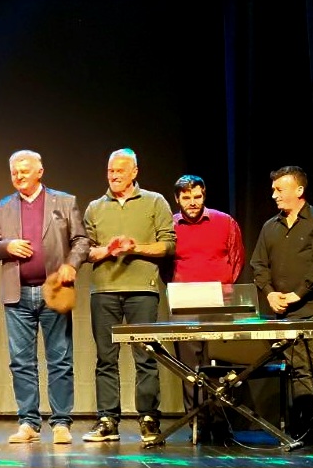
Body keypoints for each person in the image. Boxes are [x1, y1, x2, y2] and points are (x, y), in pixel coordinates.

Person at [0, 150, 87, 445]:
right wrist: (7, 246)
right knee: (21, 362)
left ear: (39, 172)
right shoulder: (2, 207)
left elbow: (81, 240)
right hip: (17, 295)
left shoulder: (64, 201)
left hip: (53, 291)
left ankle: (61, 422)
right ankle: (28, 422)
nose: (18, 176)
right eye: (14, 172)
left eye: (24, 171)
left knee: (60, 359)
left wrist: (71, 264)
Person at [249, 165, 313, 450]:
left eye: (279, 190)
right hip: (286, 311)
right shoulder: (270, 226)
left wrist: (298, 293)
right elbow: (258, 264)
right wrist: (270, 294)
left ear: (299, 190)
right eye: (273, 190)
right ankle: (306, 427)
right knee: (299, 370)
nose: (274, 195)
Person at [82, 148, 175, 444]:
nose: (114, 175)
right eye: (110, 171)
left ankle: (148, 418)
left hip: (142, 290)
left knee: (145, 355)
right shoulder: (95, 207)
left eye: (120, 170)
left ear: (134, 172)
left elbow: (167, 245)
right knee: (105, 359)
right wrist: (108, 250)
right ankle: (108, 420)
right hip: (105, 291)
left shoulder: (154, 201)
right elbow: (85, 250)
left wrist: (135, 248)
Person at [169, 174, 244, 435]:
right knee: (189, 367)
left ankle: (221, 422)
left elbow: (237, 259)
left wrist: (222, 289)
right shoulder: (170, 225)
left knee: (219, 364)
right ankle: (197, 422)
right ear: (177, 199)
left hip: (219, 302)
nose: (192, 202)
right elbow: (165, 265)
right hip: (184, 303)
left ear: (204, 195)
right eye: (186, 197)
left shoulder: (225, 221)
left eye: (197, 196)